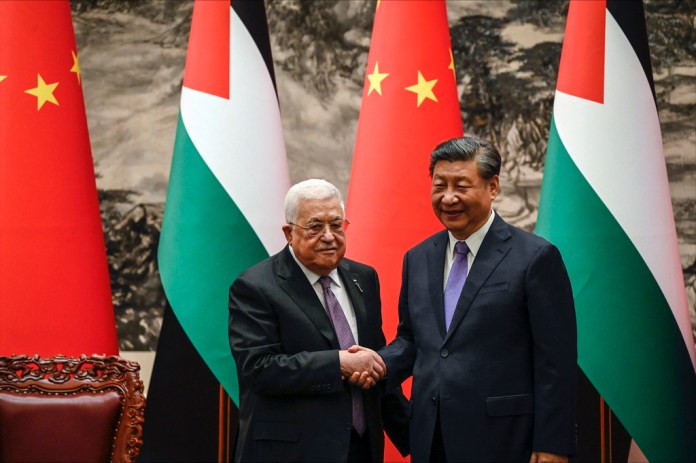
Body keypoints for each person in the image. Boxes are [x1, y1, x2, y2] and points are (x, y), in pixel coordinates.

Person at [377, 136, 577, 462]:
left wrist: (553, 444)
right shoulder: (418, 258)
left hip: (506, 440)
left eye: (461, 186)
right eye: (440, 185)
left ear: (493, 187)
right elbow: (414, 340)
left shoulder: (535, 258)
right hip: (432, 438)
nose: (449, 197)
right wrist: (375, 365)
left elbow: (555, 362)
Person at [228, 179, 409, 463]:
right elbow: (258, 369)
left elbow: (371, 363)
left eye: (337, 225)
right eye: (315, 227)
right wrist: (338, 363)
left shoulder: (364, 278)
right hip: (292, 451)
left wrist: (415, 435)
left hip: (360, 449)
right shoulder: (255, 286)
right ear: (289, 233)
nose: (329, 236)